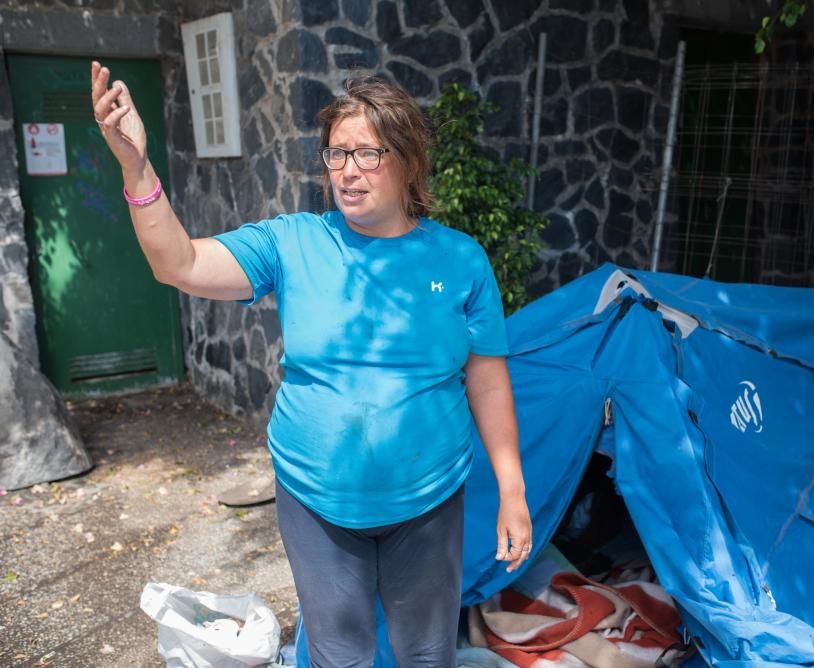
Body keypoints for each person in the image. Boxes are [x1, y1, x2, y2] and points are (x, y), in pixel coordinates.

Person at [90, 62, 532, 667]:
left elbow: (486, 377)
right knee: (338, 652)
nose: (347, 171)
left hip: (428, 499)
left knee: (428, 653)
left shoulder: (460, 260)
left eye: (367, 154)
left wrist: (512, 486)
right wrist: (135, 166)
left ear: (407, 159)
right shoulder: (292, 241)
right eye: (335, 154)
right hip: (317, 498)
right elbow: (181, 264)